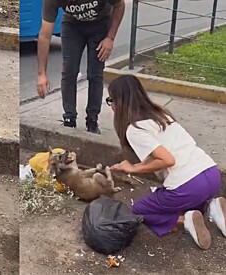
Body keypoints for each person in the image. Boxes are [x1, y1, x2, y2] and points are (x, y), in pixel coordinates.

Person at [108, 75, 225, 250]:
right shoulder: (161, 115)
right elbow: (165, 157)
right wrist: (131, 168)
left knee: (139, 210)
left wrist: (133, 168)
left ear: (119, 101)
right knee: (183, 198)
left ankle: (186, 220)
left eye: (111, 100)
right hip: (210, 174)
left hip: (189, 186)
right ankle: (212, 208)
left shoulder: (134, 129)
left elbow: (167, 159)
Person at [36, 0, 125, 134]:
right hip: (72, 26)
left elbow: (119, 5)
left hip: (100, 24)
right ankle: (69, 118)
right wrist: (41, 74)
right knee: (69, 71)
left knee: (95, 74)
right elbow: (44, 35)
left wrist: (110, 38)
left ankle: (92, 120)